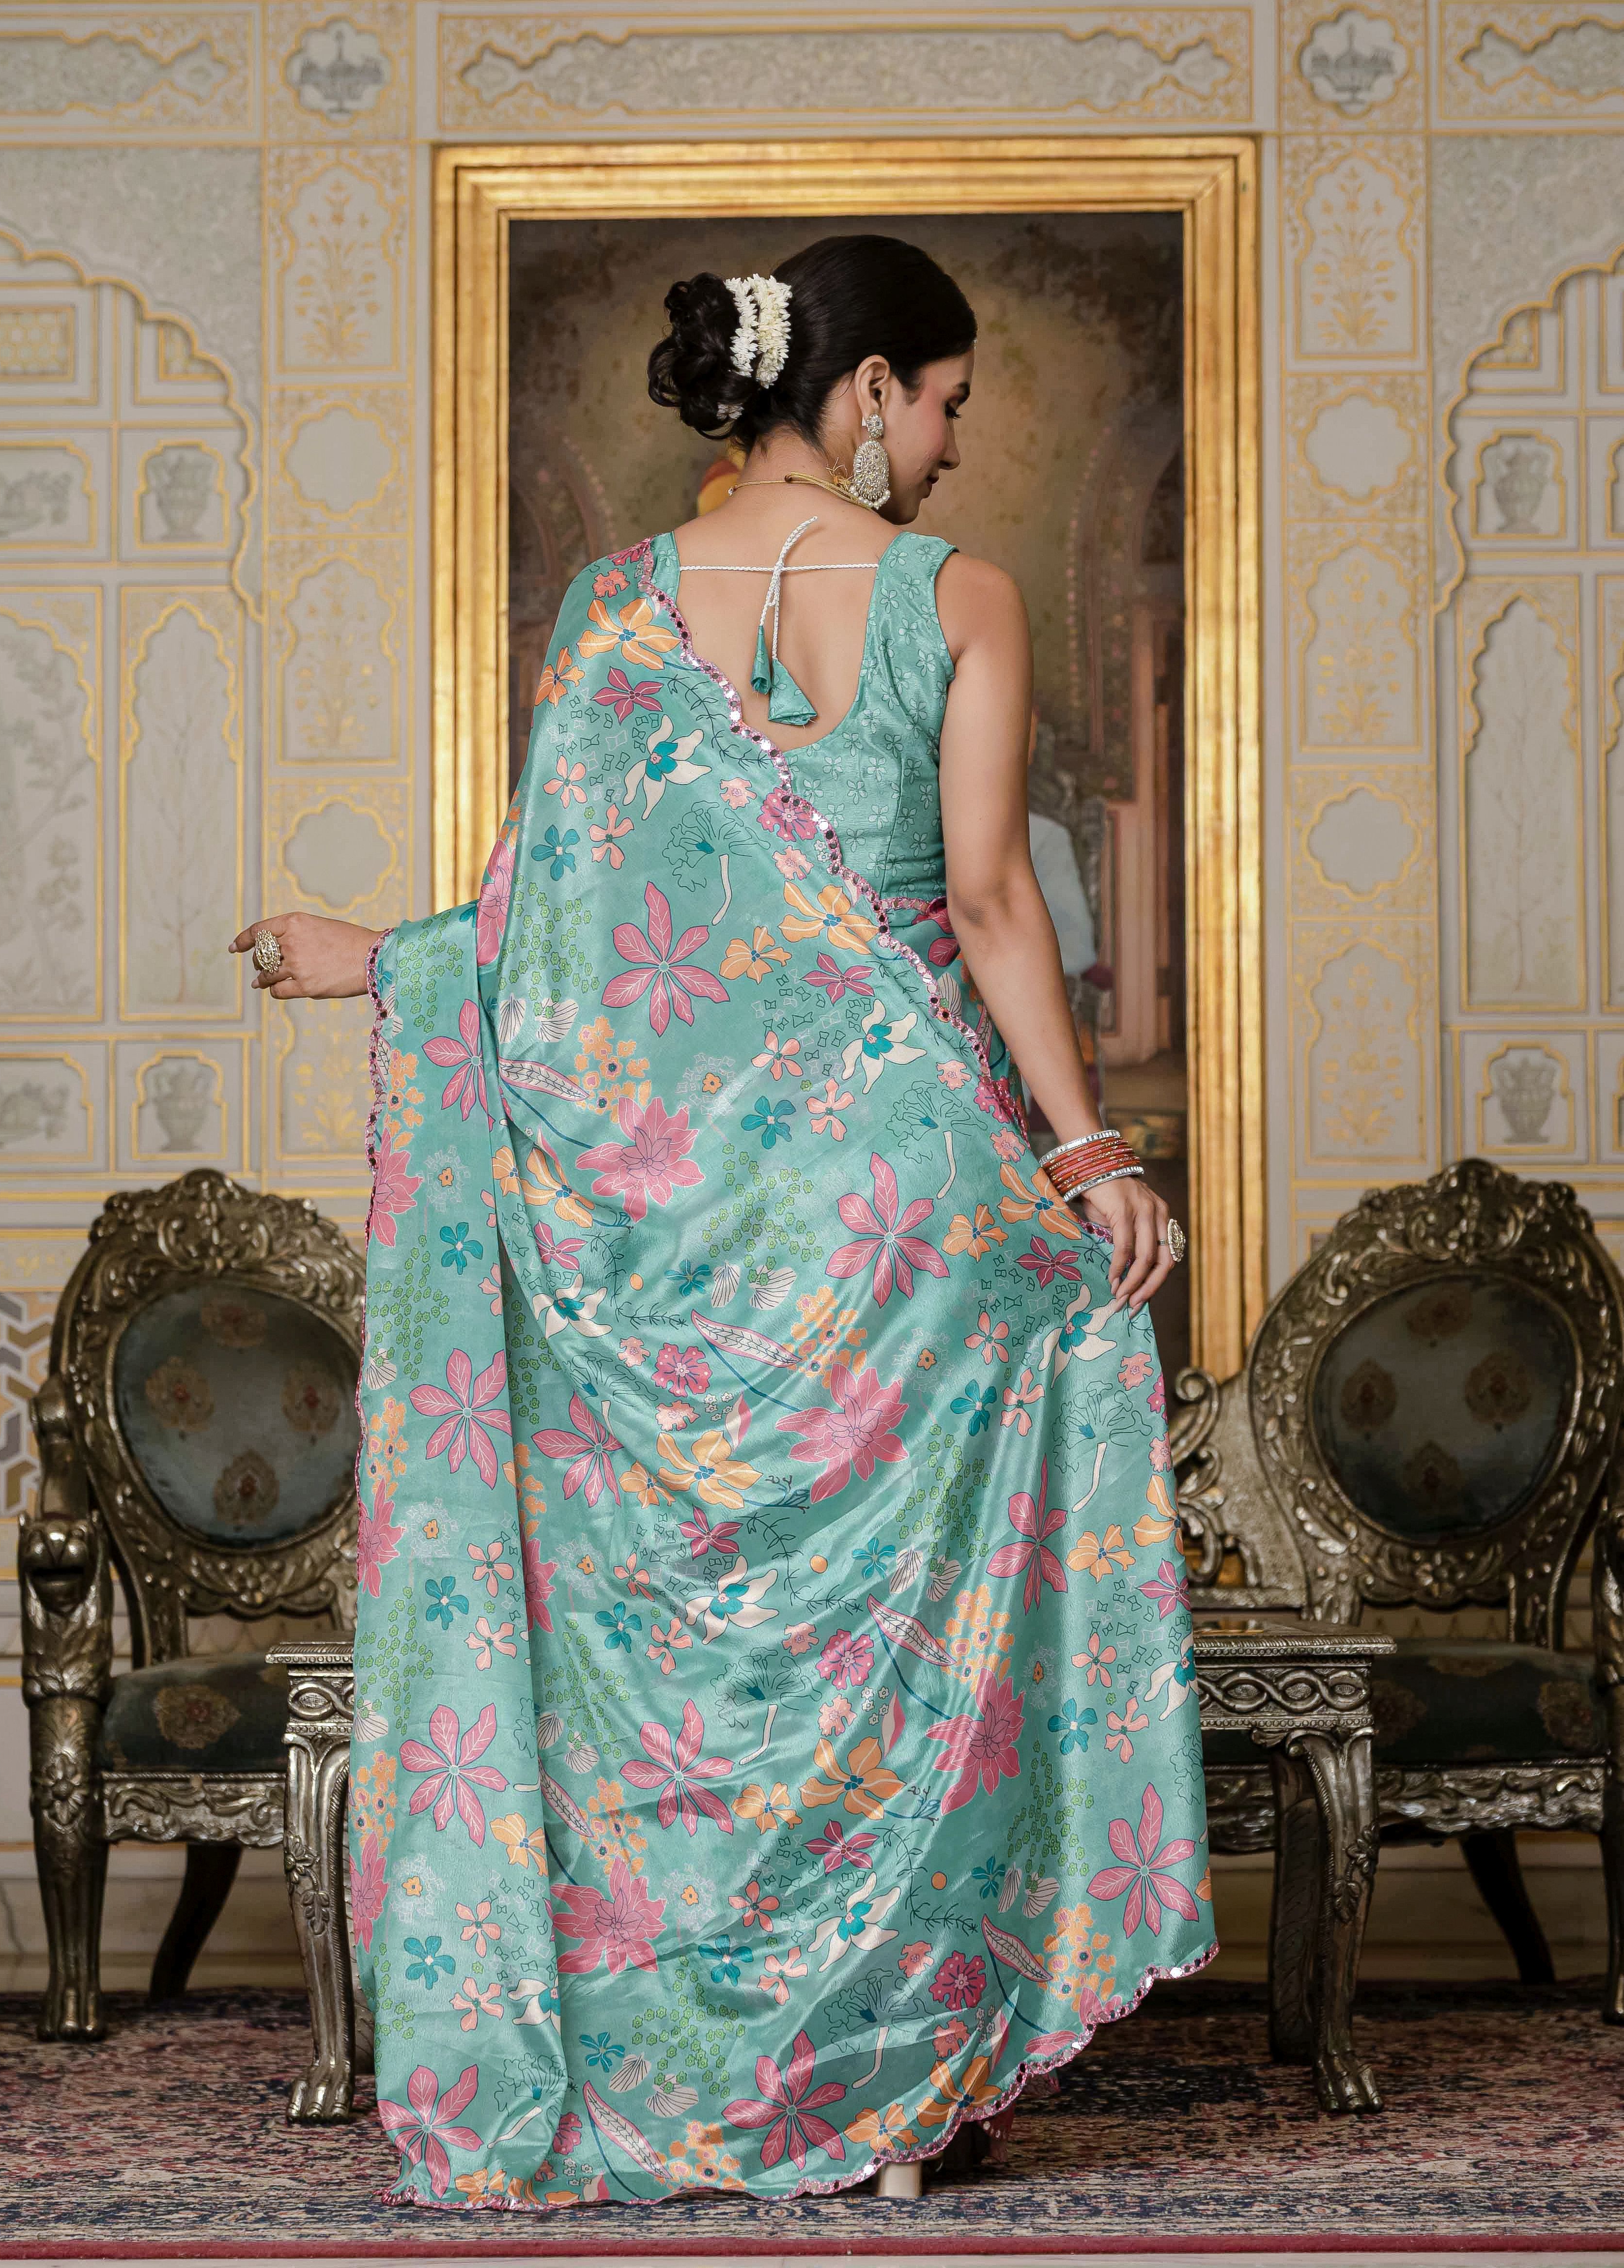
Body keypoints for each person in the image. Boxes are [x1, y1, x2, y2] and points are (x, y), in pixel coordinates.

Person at [232, 236, 1212, 2217]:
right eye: (945, 403)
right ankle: (894, 2089)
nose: (952, 447)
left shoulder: (611, 613)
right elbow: (991, 905)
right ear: (868, 392)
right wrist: (1088, 1156)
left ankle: (703, 2072)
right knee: (898, 1653)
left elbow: (567, 948)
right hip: (899, 1218)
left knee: (695, 1662)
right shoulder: (959, 595)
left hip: (679, 1235)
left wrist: (384, 959)